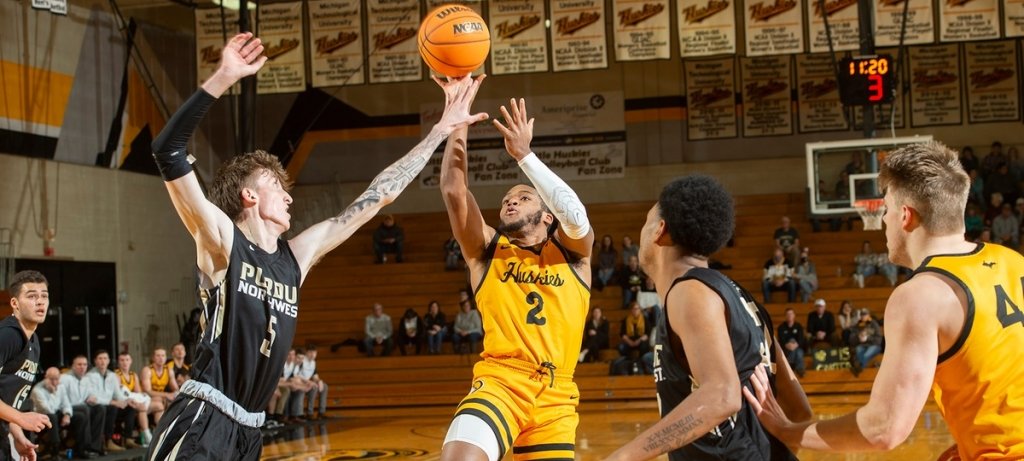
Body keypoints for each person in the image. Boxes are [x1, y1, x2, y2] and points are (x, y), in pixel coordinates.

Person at [145, 32, 486, 460]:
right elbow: (167, 150)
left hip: (250, 428)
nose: (289, 197)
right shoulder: (220, 241)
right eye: (276, 186)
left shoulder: (294, 258)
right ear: (248, 197)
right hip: (203, 416)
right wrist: (225, 76)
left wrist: (440, 130)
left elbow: (376, 198)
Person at [744, 140, 1024, 459]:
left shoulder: (920, 295)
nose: (884, 221)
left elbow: (883, 429)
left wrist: (785, 429)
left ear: (906, 216)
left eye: (887, 210)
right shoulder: (1012, 261)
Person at [604, 175, 808, 460]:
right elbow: (800, 412)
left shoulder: (690, 292)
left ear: (659, 232)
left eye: (646, 221)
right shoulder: (740, 297)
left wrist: (622, 457)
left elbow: (721, 396)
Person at [438, 96, 594, 461]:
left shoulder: (574, 256)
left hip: (557, 394)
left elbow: (576, 216)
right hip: (501, 379)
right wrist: (457, 123)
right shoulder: (488, 250)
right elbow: (453, 191)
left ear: (546, 217)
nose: (509, 203)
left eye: (523, 197)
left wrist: (525, 157)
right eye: (506, 200)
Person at [1, 271, 55, 461]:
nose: (40, 301)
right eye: (32, 296)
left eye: (44, 296)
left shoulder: (33, 340)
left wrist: (17, 434)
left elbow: (7, 399)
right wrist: (22, 418)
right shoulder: (8, 336)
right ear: (15, 303)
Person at [86, 350, 137, 452]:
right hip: (96, 407)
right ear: (95, 361)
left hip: (109, 407)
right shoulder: (89, 376)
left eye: (105, 358)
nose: (103, 361)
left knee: (130, 407)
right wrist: (112, 402)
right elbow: (93, 398)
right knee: (111, 408)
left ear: (109, 361)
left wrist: (127, 401)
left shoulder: (112, 375)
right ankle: (108, 441)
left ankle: (128, 438)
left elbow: (118, 395)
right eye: (100, 359)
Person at [62, 355, 106, 459]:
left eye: (85, 364)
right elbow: (62, 399)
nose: (82, 367)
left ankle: (95, 447)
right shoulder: (65, 378)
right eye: (79, 364)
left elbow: (91, 394)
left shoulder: (86, 379)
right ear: (73, 366)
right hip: (66, 408)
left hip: (81, 406)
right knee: (84, 409)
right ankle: (84, 448)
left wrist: (92, 397)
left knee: (100, 408)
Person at [31, 367, 73, 459]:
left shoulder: (61, 386)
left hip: (55, 416)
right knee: (52, 417)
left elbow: (66, 403)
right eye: (51, 379)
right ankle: (55, 450)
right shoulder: (37, 390)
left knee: (80, 415)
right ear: (46, 377)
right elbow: (48, 409)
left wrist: (67, 414)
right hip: (41, 418)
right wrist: (53, 392)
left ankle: (79, 447)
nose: (54, 382)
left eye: (57, 379)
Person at [114, 352, 152, 447]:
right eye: (122, 360)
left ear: (131, 361)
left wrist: (138, 402)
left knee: (158, 405)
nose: (125, 362)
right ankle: (147, 436)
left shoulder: (133, 375)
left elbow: (138, 393)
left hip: (134, 402)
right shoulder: (116, 374)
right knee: (142, 409)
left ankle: (156, 435)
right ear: (118, 362)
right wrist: (136, 403)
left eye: (127, 360)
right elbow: (119, 394)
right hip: (123, 403)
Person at [139, 347, 176, 424]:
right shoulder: (147, 370)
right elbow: (148, 392)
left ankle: (162, 430)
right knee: (160, 402)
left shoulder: (169, 370)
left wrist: (175, 394)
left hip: (159, 398)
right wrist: (166, 395)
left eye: (163, 355)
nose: (161, 358)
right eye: (158, 355)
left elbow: (176, 388)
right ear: (153, 358)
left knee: (173, 401)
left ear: (166, 357)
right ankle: (160, 430)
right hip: (145, 398)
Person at [848, 309, 883, 376]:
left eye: (865, 314)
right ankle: (859, 367)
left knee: (866, 355)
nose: (863, 316)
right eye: (862, 315)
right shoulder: (858, 325)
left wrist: (867, 338)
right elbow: (851, 339)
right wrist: (858, 338)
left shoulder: (874, 324)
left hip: (874, 346)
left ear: (868, 315)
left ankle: (859, 368)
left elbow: (879, 339)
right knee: (858, 349)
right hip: (862, 345)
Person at [299, 346, 328, 420]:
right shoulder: (302, 360)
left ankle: (321, 412)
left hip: (308, 382)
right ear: (307, 352)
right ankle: (310, 413)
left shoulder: (313, 363)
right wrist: (309, 382)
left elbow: (315, 376)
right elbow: (297, 375)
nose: (313, 355)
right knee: (314, 387)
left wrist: (319, 381)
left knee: (324, 386)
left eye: (314, 353)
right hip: (301, 382)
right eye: (311, 352)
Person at [777, 308, 806, 377]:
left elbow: (801, 339)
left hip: (797, 348)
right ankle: (799, 369)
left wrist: (794, 345)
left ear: (794, 315)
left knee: (798, 352)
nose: (789, 315)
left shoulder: (799, 326)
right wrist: (787, 345)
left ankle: (792, 367)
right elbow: (781, 340)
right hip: (786, 349)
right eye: (788, 314)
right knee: (796, 350)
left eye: (791, 314)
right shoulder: (781, 327)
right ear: (785, 316)